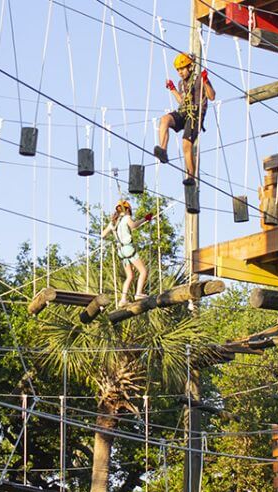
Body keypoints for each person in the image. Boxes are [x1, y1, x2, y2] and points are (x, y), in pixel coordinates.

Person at [154, 52, 216, 185]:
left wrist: (206, 81)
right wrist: (172, 89)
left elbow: (211, 96)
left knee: (186, 144)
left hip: (195, 115)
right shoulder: (181, 84)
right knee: (164, 120)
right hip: (184, 111)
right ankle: (163, 150)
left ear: (190, 67)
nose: (180, 72)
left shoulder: (199, 79)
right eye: (178, 70)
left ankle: (191, 176)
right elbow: (181, 101)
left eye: (182, 69)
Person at [101, 200, 152, 307]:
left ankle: (123, 300)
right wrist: (145, 219)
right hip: (128, 249)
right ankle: (138, 293)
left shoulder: (113, 223)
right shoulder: (126, 218)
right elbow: (134, 226)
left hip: (121, 252)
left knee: (130, 276)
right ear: (128, 210)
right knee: (143, 271)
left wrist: (114, 234)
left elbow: (102, 235)